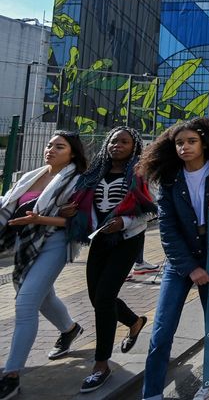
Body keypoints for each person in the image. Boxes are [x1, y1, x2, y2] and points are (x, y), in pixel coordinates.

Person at [138, 118, 209, 400]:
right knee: (162, 330)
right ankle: (151, 393)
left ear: (204, 144)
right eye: (179, 143)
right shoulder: (169, 179)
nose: (184, 147)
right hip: (180, 262)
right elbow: (167, 229)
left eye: (191, 141)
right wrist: (190, 267)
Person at [70, 126, 158, 393]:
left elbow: (152, 210)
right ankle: (134, 322)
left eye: (123, 141)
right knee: (97, 298)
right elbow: (84, 204)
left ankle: (101, 365)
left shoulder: (141, 173)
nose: (116, 145)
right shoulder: (94, 173)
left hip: (126, 241)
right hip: (99, 240)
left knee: (105, 297)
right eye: (112, 141)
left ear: (134, 146)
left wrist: (124, 222)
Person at [0, 132, 87, 400]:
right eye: (49, 145)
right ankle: (70, 329)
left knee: (26, 303)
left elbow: (79, 223)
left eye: (59, 146)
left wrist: (40, 220)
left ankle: (11, 374)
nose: (50, 149)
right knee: (43, 297)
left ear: (72, 153)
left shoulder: (78, 181)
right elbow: (8, 206)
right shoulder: (31, 175)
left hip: (55, 243)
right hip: (25, 243)